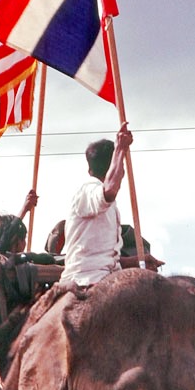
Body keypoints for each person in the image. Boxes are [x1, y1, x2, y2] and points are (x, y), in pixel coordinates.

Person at [59, 122, 133, 287]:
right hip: (86, 279)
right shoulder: (88, 190)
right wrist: (121, 149)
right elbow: (110, 190)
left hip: (109, 275)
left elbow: (104, 257)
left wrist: (137, 261)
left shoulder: (106, 201)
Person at [0, 189, 38, 255]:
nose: (25, 243)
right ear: (15, 239)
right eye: (24, 238)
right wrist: (24, 209)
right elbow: (7, 235)